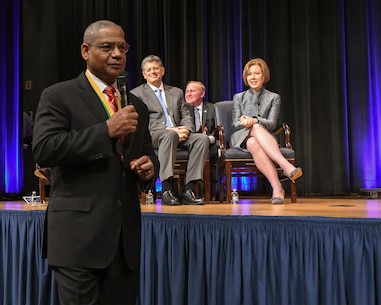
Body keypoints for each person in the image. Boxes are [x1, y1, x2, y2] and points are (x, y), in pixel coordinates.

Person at [32, 20, 159, 305]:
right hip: (77, 239)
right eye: (107, 47)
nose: (117, 54)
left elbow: (147, 152)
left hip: (123, 244)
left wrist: (149, 168)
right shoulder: (58, 95)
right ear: (85, 51)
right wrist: (106, 130)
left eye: (122, 47)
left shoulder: (135, 104)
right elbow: (45, 149)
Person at [131, 55, 210, 205]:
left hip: (178, 133)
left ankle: (189, 189)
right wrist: (168, 129)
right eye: (149, 70)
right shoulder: (137, 94)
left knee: (202, 139)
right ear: (144, 74)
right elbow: (142, 122)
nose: (153, 72)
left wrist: (186, 129)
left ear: (162, 71)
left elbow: (186, 115)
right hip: (154, 135)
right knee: (169, 135)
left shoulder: (176, 92)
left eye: (155, 68)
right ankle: (166, 188)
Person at [231, 58, 302, 204]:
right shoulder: (239, 97)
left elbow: (271, 124)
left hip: (264, 138)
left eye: (256, 73)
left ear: (264, 76)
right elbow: (235, 123)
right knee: (253, 130)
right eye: (249, 74)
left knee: (253, 142)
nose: (253, 77)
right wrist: (247, 122)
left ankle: (277, 189)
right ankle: (286, 167)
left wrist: (255, 120)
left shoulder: (273, 97)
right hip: (239, 137)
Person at [184, 81, 219, 199]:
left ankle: (213, 191)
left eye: (192, 91)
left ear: (202, 94)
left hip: (209, 144)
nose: (188, 94)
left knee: (216, 151)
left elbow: (217, 129)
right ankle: (191, 189)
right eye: (187, 91)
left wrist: (211, 138)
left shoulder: (212, 108)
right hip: (187, 142)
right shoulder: (182, 109)